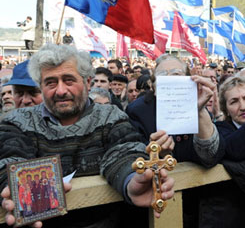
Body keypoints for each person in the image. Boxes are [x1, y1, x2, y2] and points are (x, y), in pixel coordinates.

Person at [0, 44, 174, 228]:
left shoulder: (110, 116)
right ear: (41, 86)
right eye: (50, 82)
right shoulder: (17, 121)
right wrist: (13, 186)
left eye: (69, 81)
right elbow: (9, 159)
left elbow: (124, 152)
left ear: (88, 82)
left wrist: (132, 181)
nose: (60, 91)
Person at [126, 54, 222, 227]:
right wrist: (155, 155)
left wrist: (199, 111)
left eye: (177, 74)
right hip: (154, 202)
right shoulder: (137, 111)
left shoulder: (197, 106)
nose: (170, 79)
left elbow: (210, 157)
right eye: (163, 76)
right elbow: (132, 159)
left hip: (198, 197)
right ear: (153, 87)